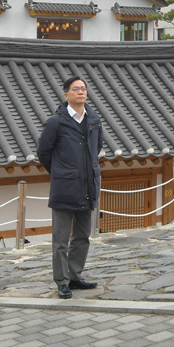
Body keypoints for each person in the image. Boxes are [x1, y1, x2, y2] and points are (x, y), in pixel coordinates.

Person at [37, 76, 103, 298]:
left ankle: (75, 276)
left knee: (83, 236)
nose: (81, 92)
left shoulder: (94, 120)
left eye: (83, 88)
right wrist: (60, 172)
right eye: (76, 89)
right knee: (61, 240)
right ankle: (62, 282)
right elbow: (44, 152)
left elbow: (97, 148)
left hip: (88, 187)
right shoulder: (56, 122)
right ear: (66, 95)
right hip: (64, 188)